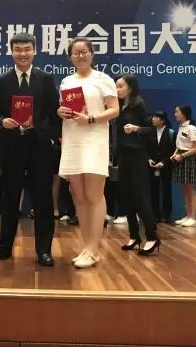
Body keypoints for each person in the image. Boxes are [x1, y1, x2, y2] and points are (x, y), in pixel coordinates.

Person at [0, 32, 60, 267]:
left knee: (43, 199)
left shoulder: (45, 79)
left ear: (34, 51)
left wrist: (46, 135)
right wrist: (2, 121)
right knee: (10, 197)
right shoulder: (1, 81)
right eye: (18, 50)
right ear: (11, 52)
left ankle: (44, 250)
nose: (23, 54)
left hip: (39, 148)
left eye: (27, 49)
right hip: (11, 147)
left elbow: (54, 114)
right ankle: (4, 247)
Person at [57, 38, 119, 268]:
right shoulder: (66, 81)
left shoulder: (103, 79)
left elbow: (115, 110)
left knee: (94, 195)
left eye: (84, 52)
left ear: (92, 54)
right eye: (76, 53)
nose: (80, 56)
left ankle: (94, 249)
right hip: (73, 140)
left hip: (94, 140)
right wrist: (60, 111)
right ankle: (86, 247)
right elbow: (65, 108)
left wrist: (91, 119)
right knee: (79, 195)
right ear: (70, 57)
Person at [114, 75, 160, 256]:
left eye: (120, 86)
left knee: (141, 197)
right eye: (116, 86)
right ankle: (134, 236)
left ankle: (152, 236)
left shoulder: (139, 106)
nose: (117, 89)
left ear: (130, 88)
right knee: (126, 197)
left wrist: (136, 128)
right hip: (123, 156)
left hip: (137, 156)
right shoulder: (118, 107)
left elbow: (152, 129)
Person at [171, 105, 196, 228]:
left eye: (177, 112)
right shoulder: (181, 127)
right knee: (184, 188)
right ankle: (188, 215)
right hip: (181, 158)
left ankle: (193, 218)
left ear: (184, 113)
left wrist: (182, 156)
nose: (175, 114)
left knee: (190, 188)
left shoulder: (191, 128)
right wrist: (174, 154)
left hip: (189, 159)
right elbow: (179, 145)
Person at [147, 111, 175, 224]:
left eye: (156, 117)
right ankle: (155, 215)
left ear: (162, 120)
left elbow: (174, 150)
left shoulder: (171, 133)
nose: (153, 119)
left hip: (166, 166)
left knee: (166, 190)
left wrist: (164, 162)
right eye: (153, 117)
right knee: (153, 191)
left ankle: (167, 215)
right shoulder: (150, 132)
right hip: (152, 165)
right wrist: (148, 159)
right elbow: (146, 148)